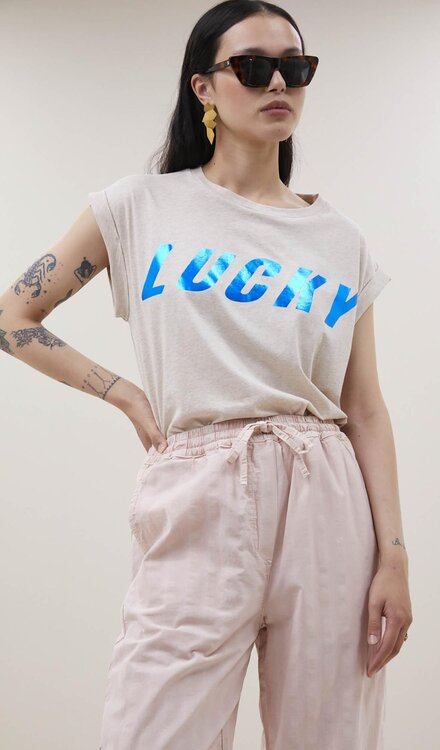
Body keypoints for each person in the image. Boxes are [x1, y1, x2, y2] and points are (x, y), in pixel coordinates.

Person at [0, 1, 412, 748]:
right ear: (204, 88)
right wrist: (125, 394)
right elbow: (12, 316)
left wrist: (393, 558)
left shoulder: (339, 238)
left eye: (295, 67)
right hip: (198, 485)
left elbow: (367, 410)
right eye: (253, 67)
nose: (278, 83)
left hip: (326, 495)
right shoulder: (139, 206)